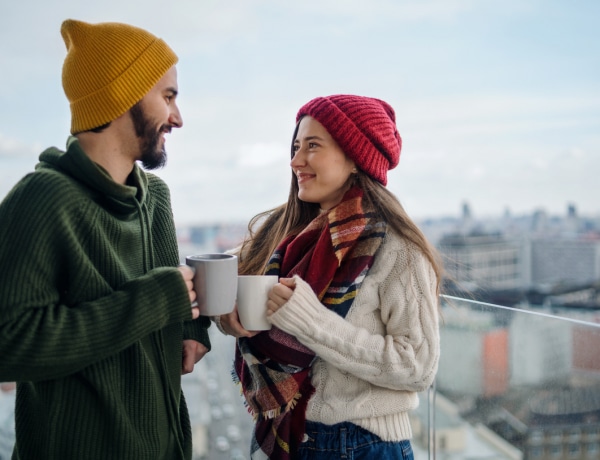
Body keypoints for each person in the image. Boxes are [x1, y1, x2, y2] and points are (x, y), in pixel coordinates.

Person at [0, 19, 211, 459]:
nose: (178, 117)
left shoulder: (155, 197)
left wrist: (191, 326)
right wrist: (153, 300)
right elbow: (9, 343)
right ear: (122, 96)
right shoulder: (42, 199)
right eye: (168, 96)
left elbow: (170, 294)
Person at [216, 94, 442, 459]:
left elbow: (417, 366)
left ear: (354, 157)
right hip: (292, 439)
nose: (295, 160)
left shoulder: (398, 249)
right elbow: (225, 269)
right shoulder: (287, 234)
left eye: (312, 146)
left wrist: (309, 320)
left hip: (363, 446)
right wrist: (226, 312)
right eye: (295, 146)